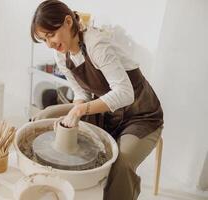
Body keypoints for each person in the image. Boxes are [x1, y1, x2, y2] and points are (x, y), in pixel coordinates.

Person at [30, 0, 164, 199]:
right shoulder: (61, 54)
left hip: (140, 115)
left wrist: (79, 112)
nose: (50, 44)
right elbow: (81, 94)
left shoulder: (96, 44)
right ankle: (57, 185)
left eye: (51, 34)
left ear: (68, 22)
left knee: (123, 161)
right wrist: (76, 111)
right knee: (43, 116)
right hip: (106, 112)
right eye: (44, 39)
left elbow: (125, 94)